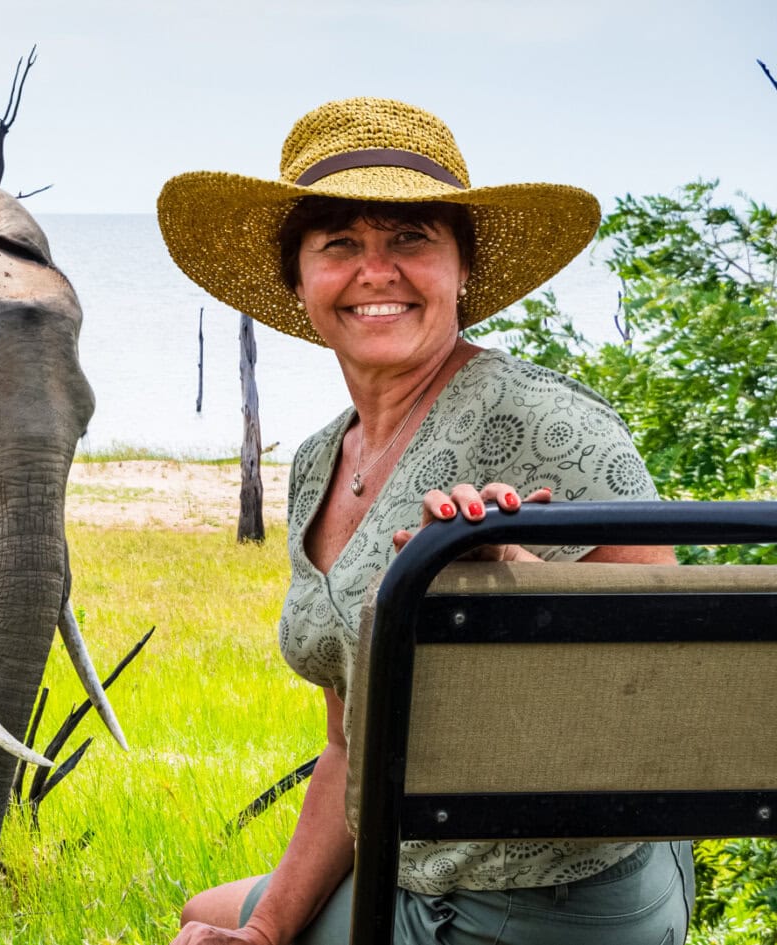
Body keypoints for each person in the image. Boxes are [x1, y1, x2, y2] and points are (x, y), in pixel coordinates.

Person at [156, 97, 694, 945]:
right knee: (207, 920)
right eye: (340, 243)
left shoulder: (550, 427)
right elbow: (349, 749)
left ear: (462, 268)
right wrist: (264, 935)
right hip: (416, 869)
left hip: (555, 895)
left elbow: (668, 711)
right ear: (300, 281)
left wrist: (519, 610)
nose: (378, 270)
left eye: (410, 238)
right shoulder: (317, 463)